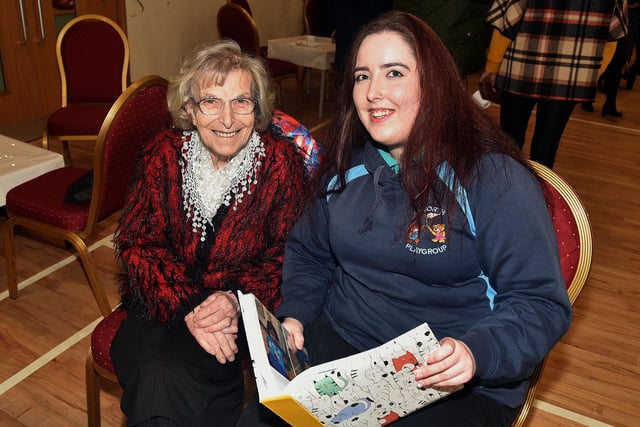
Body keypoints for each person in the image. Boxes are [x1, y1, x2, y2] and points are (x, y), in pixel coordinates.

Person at [237, 10, 572, 427]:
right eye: (362, 76)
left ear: (433, 83)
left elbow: (539, 304)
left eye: (393, 72)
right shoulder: (345, 162)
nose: (373, 91)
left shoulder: (492, 177)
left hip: (450, 374)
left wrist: (475, 352)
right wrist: (296, 313)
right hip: (345, 345)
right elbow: (309, 250)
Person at [109, 39, 309, 427]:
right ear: (189, 109)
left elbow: (286, 256)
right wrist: (188, 306)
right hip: (162, 301)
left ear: (258, 109)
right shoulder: (162, 154)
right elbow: (137, 243)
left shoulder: (280, 164)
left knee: (178, 377)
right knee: (154, 369)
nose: (227, 118)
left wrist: (233, 301)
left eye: (241, 101)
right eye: (211, 101)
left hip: (236, 312)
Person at [480, 0, 627, 168]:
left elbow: (508, 18)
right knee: (545, 151)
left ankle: (505, 191)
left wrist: (493, 64)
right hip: (572, 73)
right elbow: (613, 33)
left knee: (509, 143)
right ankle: (537, 193)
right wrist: (594, 71)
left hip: (522, 66)